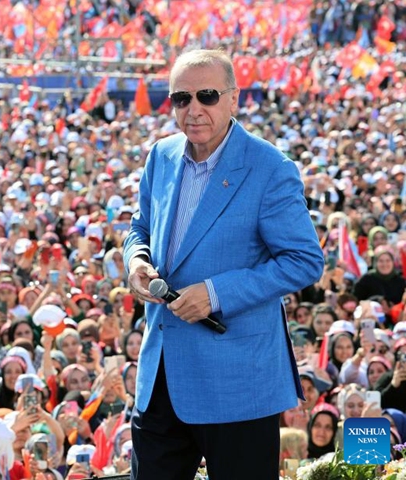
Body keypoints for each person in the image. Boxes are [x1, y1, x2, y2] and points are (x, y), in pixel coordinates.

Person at [124, 49, 324, 480]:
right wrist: (137, 260)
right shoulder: (160, 155)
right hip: (159, 380)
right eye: (181, 98)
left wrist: (215, 294)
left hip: (237, 385)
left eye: (208, 96)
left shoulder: (269, 168)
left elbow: (305, 261)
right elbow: (139, 228)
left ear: (233, 99)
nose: (193, 109)